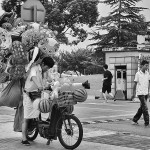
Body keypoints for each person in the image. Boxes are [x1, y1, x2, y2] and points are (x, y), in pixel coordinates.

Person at [21, 56, 55, 146]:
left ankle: (42, 128)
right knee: (27, 118)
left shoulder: (46, 72)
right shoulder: (34, 68)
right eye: (47, 67)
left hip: (38, 95)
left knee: (45, 109)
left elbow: (51, 80)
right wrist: (39, 86)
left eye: (49, 68)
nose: (47, 69)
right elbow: (33, 77)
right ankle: (24, 138)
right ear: (43, 64)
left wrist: (55, 83)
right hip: (29, 95)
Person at [132, 60, 150, 127]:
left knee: (142, 108)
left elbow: (148, 83)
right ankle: (147, 123)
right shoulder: (138, 74)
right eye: (146, 65)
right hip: (140, 93)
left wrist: (149, 92)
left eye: (148, 65)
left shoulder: (147, 73)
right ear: (142, 66)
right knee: (145, 108)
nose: (147, 67)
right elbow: (135, 84)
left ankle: (135, 120)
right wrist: (133, 93)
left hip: (145, 93)